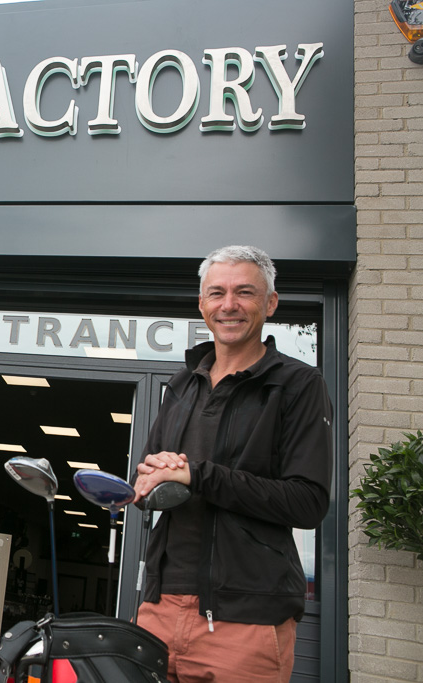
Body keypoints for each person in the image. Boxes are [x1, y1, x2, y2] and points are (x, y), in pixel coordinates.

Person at [132, 245, 332, 682]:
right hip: (159, 608)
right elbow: (143, 486)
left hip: (247, 619)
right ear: (202, 304)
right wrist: (153, 477)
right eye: (217, 293)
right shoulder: (182, 384)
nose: (229, 305)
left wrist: (198, 475)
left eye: (244, 292)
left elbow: (308, 501)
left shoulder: (297, 384)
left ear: (270, 303)